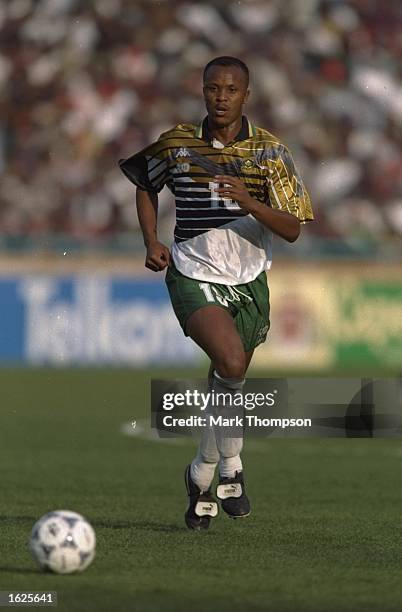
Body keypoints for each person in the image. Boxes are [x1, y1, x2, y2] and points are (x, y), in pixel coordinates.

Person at [119, 56, 314, 530]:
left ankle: (204, 474)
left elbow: (293, 229)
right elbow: (145, 183)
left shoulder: (270, 153)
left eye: (230, 89)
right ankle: (231, 465)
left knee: (229, 378)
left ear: (246, 95)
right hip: (192, 271)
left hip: (248, 282)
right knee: (230, 362)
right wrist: (151, 240)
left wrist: (250, 202)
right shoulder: (178, 143)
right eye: (213, 88)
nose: (221, 97)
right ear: (203, 90)